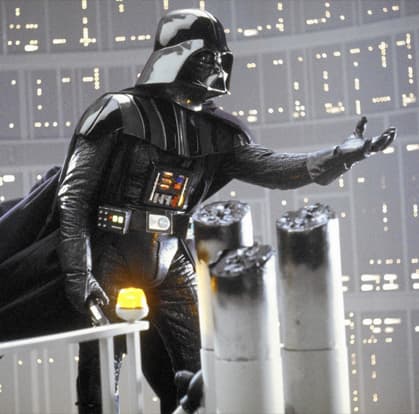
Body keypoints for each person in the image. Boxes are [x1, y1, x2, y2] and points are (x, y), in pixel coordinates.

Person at [0, 8, 395, 414]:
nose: (218, 68)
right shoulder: (116, 112)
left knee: (203, 364)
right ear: (177, 56)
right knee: (102, 372)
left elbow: (276, 169)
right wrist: (78, 275)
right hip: (111, 252)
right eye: (207, 57)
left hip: (170, 253)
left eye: (222, 59)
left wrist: (338, 157)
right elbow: (74, 197)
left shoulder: (220, 133)